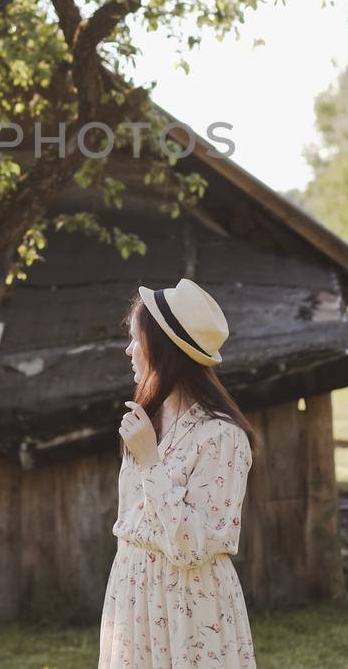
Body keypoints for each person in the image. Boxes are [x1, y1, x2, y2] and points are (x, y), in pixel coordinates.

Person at [100, 277, 261, 669]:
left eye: (137, 340)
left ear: (163, 349)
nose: (129, 350)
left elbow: (190, 547)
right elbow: (133, 519)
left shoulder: (222, 436)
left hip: (188, 605)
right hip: (134, 594)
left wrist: (151, 463)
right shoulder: (149, 422)